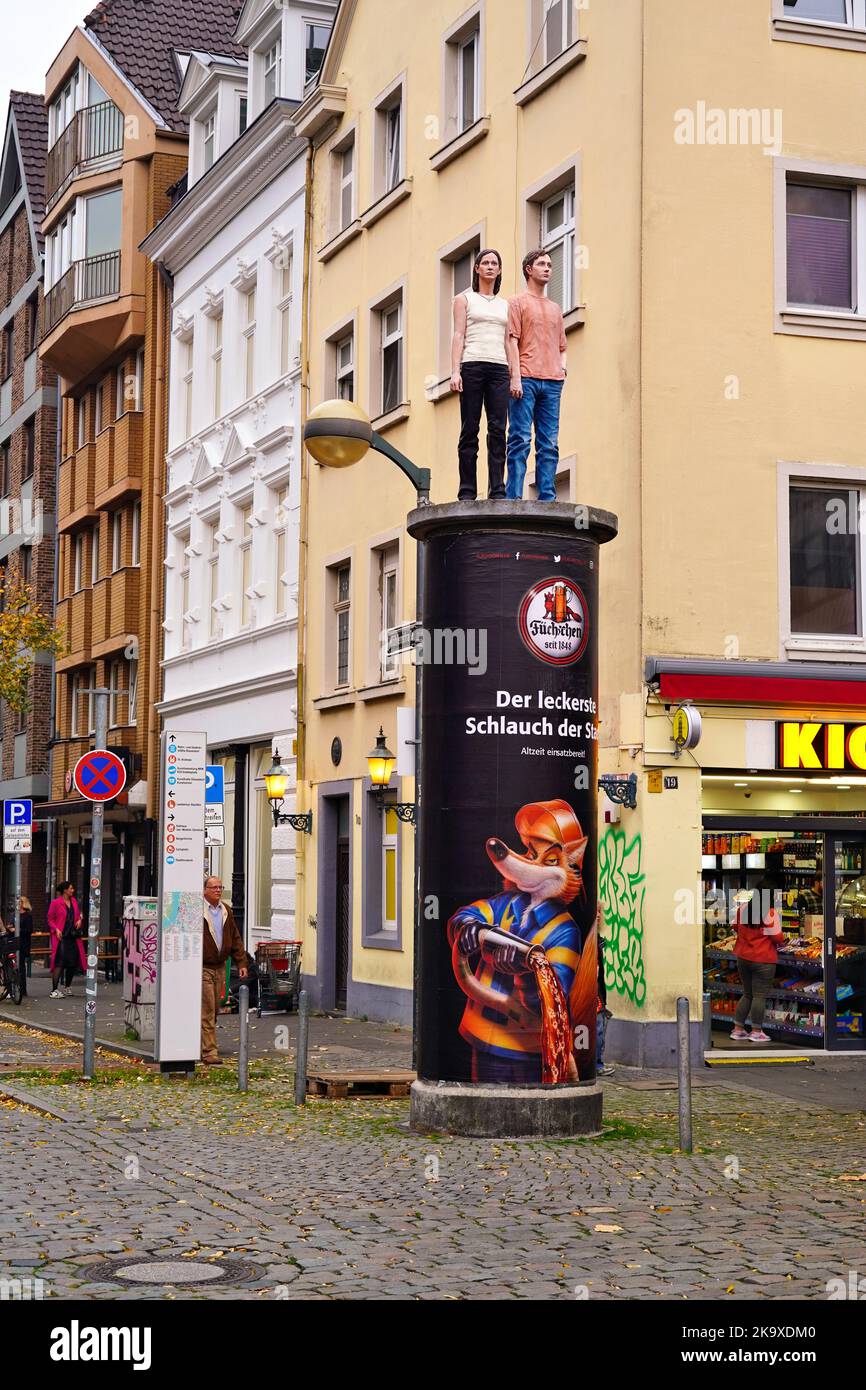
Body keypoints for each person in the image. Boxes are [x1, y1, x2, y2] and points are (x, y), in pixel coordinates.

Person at [505, 249, 568, 502]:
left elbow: (563, 346)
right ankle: (514, 497)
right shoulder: (516, 302)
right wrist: (515, 377)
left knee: (549, 444)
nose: (548, 268)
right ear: (529, 269)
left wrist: (562, 369)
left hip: (552, 381)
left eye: (550, 264)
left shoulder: (555, 308)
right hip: (526, 378)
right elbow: (511, 341)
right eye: (541, 264)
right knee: (519, 439)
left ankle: (548, 497)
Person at [451, 248, 509, 502]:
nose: (489, 267)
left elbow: (509, 341)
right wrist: (455, 371)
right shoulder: (464, 299)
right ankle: (467, 490)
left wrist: (514, 374)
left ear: (498, 270)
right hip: (472, 364)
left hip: (499, 367)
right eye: (484, 262)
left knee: (498, 430)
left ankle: (497, 489)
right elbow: (458, 335)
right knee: (470, 429)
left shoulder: (505, 305)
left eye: (494, 263)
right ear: (476, 269)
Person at [731, 878, 784, 1044]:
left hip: (743, 957)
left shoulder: (743, 908)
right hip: (763, 959)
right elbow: (777, 938)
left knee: (747, 994)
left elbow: (735, 927)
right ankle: (756, 1031)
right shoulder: (770, 913)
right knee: (759, 996)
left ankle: (738, 1029)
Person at [201, 876, 247, 1065]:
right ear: (205, 890)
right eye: (214, 887)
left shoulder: (225, 910)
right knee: (208, 1008)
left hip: (220, 965)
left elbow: (235, 937)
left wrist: (241, 962)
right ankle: (209, 1052)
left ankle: (200, 1043)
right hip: (202, 966)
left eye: (220, 887)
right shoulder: (198, 910)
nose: (218, 890)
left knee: (217, 1007)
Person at [47, 882, 85, 998]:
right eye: (71, 888)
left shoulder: (74, 902)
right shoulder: (56, 903)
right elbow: (50, 918)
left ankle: (67, 986)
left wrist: (79, 920)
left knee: (72, 962)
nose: (72, 890)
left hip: (73, 936)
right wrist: (56, 929)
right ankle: (54, 990)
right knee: (60, 961)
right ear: (65, 890)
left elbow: (78, 915)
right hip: (61, 937)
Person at [596, 930, 615, 1076]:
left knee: (599, 1029)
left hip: (597, 997)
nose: (598, 915)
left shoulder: (596, 941)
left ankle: (597, 1064)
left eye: (600, 912)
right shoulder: (591, 941)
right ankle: (597, 1065)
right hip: (593, 997)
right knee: (598, 1030)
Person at [17, 896, 32, 997]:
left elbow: (29, 930)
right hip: (15, 943)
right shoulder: (16, 915)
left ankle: (23, 990)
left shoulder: (27, 916)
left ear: (23, 904)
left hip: (23, 944)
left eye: (19, 903)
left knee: (21, 966)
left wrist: (17, 930)